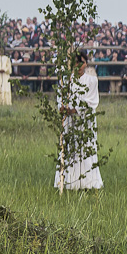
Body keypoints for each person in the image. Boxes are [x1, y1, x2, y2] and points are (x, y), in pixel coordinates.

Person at [54, 51, 103, 190]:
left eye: (82, 62)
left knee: (85, 146)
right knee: (70, 147)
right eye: (76, 63)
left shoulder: (91, 80)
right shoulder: (66, 81)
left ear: (86, 63)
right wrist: (62, 108)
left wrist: (75, 110)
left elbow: (92, 101)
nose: (79, 66)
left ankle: (88, 182)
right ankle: (69, 181)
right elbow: (60, 98)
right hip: (70, 121)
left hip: (85, 120)